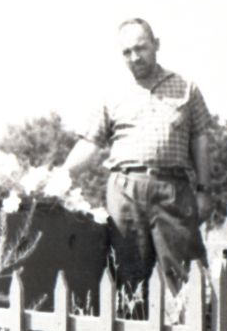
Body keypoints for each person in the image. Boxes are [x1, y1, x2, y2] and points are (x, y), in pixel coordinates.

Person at [64, 18, 212, 300]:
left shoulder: (186, 88)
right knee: (128, 275)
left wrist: (204, 190)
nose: (135, 57)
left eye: (141, 48)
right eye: (127, 52)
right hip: (125, 191)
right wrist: (59, 176)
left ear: (156, 44)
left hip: (173, 189)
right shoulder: (112, 93)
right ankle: (133, 330)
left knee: (188, 274)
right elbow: (90, 143)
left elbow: (201, 141)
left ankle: (197, 328)